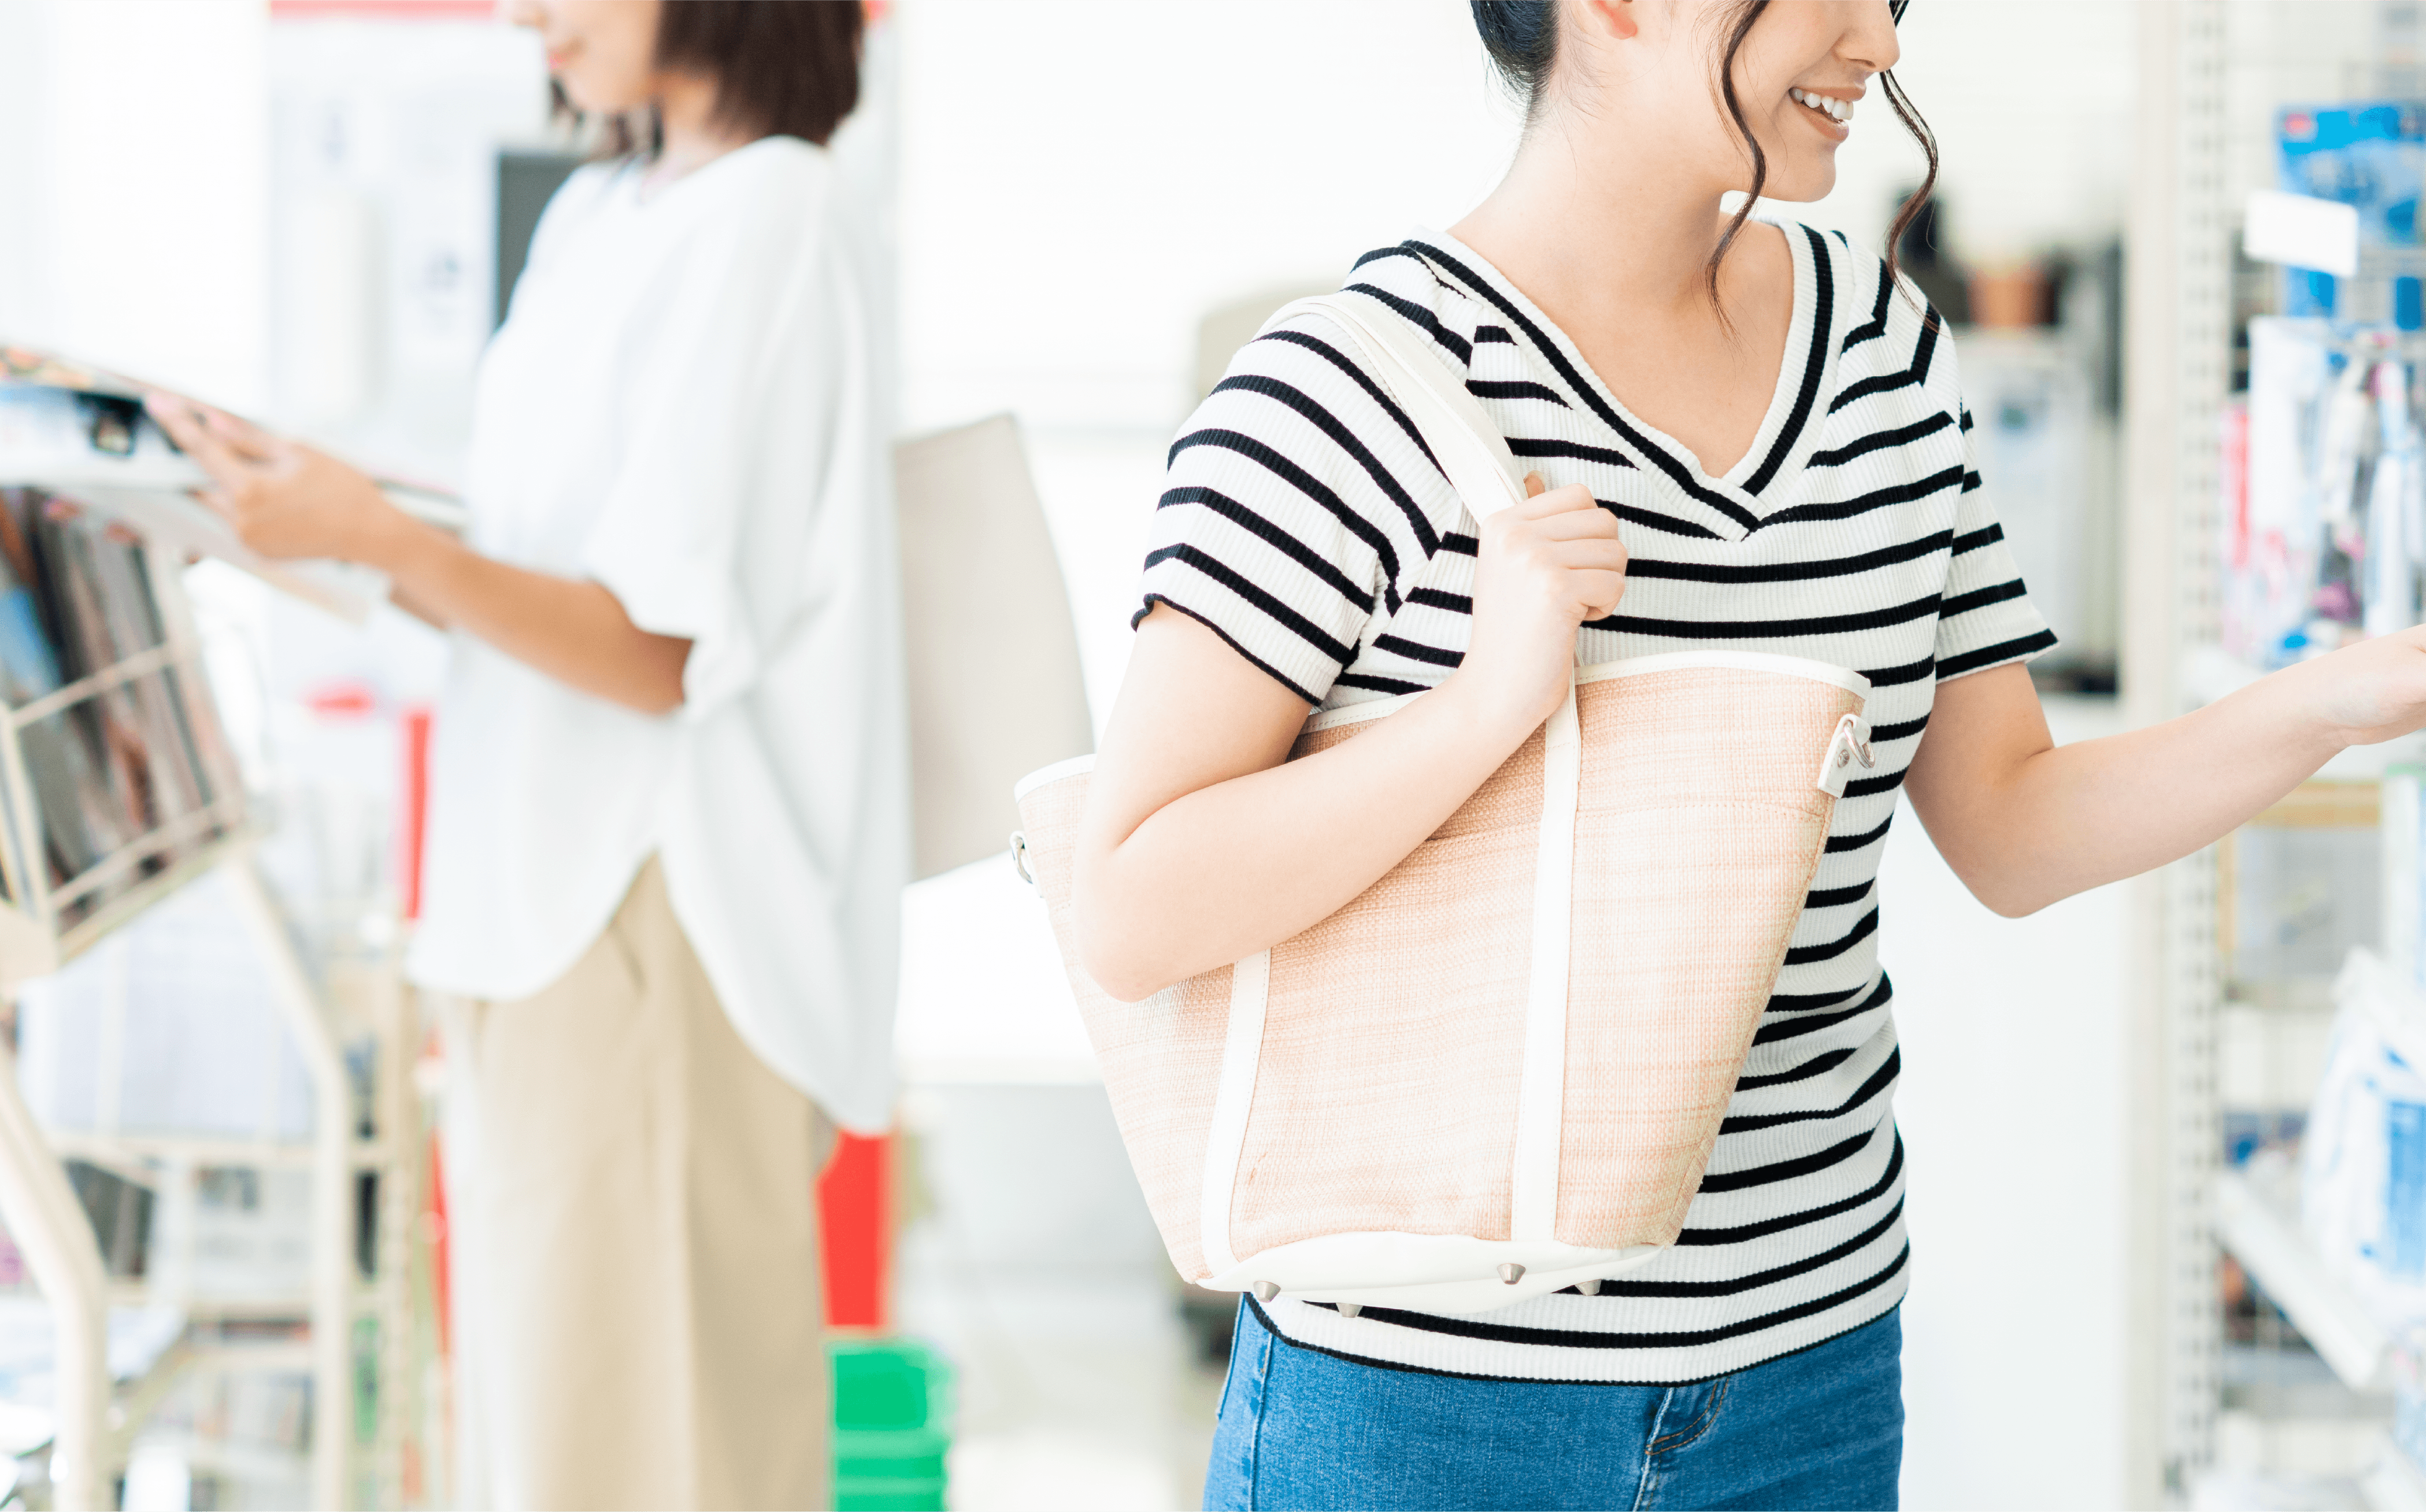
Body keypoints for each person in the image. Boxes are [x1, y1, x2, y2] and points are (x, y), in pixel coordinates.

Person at [1071, 1, 2426, 1508]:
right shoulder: (1341, 392)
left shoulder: (1881, 350)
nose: (1877, 43)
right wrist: (1478, 711)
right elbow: (1130, 905)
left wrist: (2336, 702)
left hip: (1806, 1378)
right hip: (1419, 1403)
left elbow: (2010, 824)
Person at [145, 2, 905, 1507]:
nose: (524, 12)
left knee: (639, 1452)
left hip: (643, 921)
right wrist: (298, 511)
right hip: (538, 916)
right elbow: (526, 569)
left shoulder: (772, 214)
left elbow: (649, 645)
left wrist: (370, 535)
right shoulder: (598, 214)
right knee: (552, 1436)